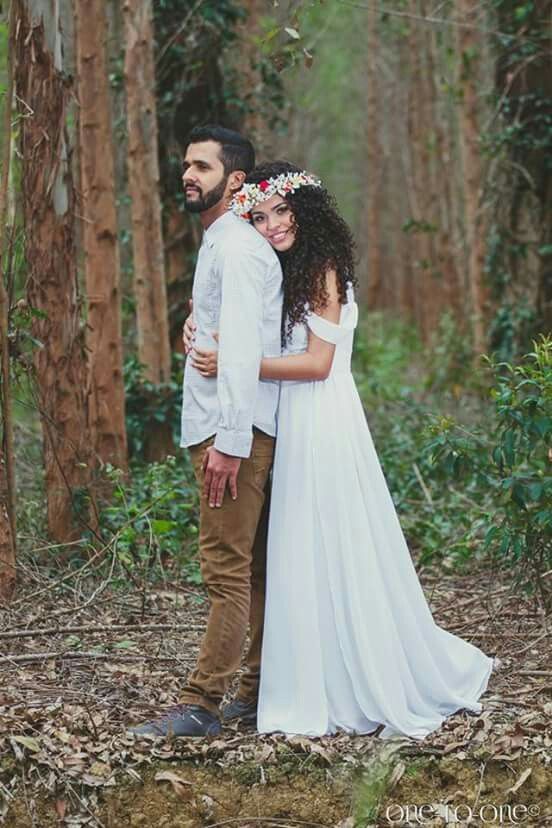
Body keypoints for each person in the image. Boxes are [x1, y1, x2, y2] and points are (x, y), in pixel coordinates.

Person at [185, 161, 498, 740]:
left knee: (325, 541)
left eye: (283, 211)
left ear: (309, 212)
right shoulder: (280, 269)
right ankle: (299, 675)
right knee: (290, 550)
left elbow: (318, 363)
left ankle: (347, 676)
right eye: (260, 215)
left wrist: (237, 362)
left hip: (321, 418)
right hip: (286, 418)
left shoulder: (324, 269)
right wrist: (200, 329)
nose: (273, 224)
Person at [129, 126, 283, 738]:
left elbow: (244, 352)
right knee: (253, 569)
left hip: (234, 435)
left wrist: (229, 442)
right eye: (186, 164)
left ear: (235, 179)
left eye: (201, 166)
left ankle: (203, 705)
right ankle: (254, 689)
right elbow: (224, 331)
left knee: (225, 569)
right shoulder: (221, 244)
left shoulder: (239, 249)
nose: (188, 175)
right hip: (229, 429)